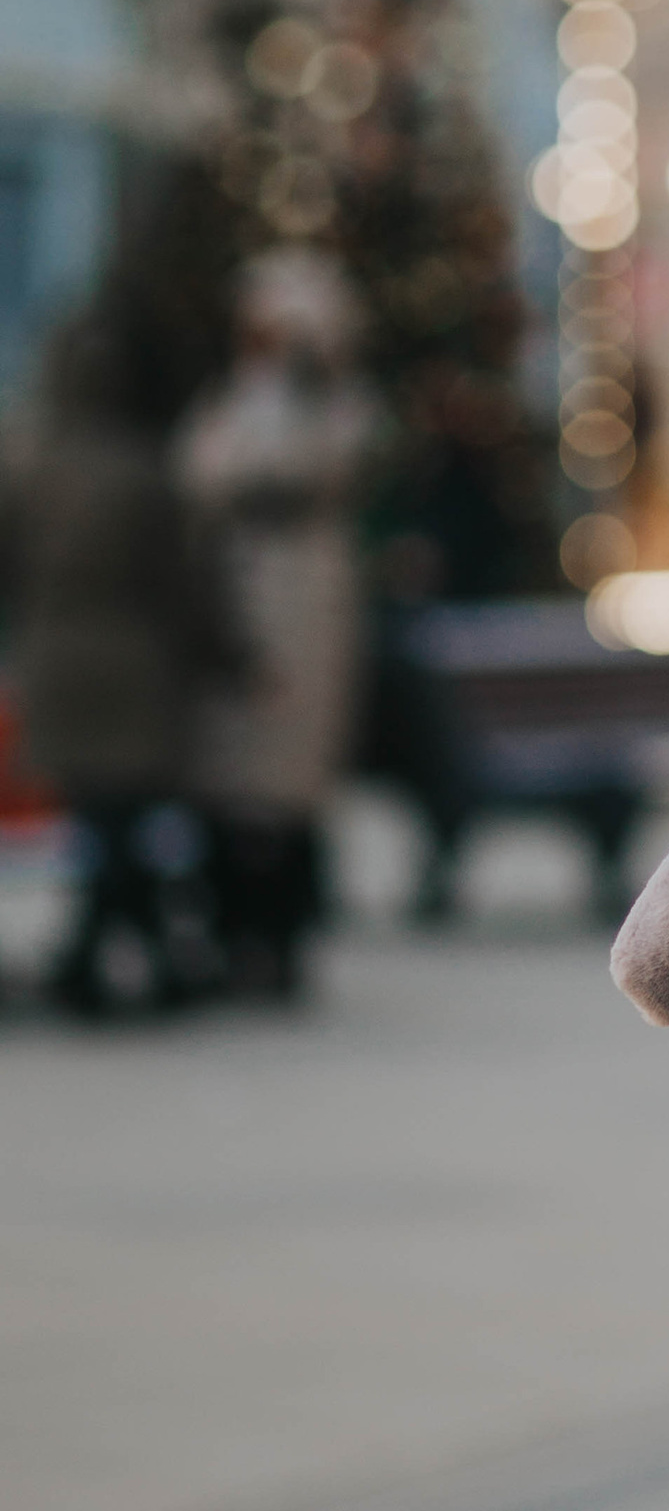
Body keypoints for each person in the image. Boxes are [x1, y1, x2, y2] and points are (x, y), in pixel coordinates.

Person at [1, 295, 233, 1014]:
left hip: (55, 657)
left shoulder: (33, 467)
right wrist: (228, 653)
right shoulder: (146, 471)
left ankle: (100, 959)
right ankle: (122, 961)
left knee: (99, 822)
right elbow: (179, 584)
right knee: (123, 821)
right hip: (135, 665)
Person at [178, 248, 379, 996]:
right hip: (230, 596)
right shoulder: (229, 397)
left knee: (289, 785)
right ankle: (231, 930)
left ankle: (280, 934)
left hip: (299, 604)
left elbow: (323, 458)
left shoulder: (328, 404)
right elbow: (202, 471)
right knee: (227, 784)